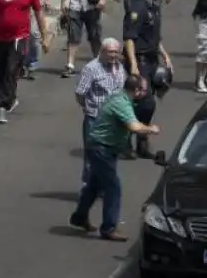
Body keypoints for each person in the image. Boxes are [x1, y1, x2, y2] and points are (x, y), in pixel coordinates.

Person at [69, 74, 161, 242]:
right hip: (101, 148)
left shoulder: (120, 96)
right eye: (144, 90)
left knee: (94, 186)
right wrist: (150, 129)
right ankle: (109, 228)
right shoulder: (121, 103)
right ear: (137, 90)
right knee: (113, 187)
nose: (146, 93)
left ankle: (79, 217)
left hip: (103, 147)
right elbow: (134, 126)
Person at [122, 0, 173, 159]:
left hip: (152, 59)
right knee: (142, 101)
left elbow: (153, 37)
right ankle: (126, 141)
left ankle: (142, 143)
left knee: (149, 103)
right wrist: (134, 65)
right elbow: (129, 38)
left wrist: (165, 55)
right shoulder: (137, 8)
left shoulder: (154, 8)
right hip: (140, 59)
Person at [75, 38, 126, 187]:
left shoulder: (119, 67)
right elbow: (80, 92)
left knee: (111, 155)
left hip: (115, 121)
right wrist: (87, 108)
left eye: (116, 52)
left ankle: (106, 185)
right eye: (110, 52)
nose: (114, 55)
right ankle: (88, 187)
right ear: (102, 52)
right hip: (95, 119)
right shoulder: (91, 68)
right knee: (93, 156)